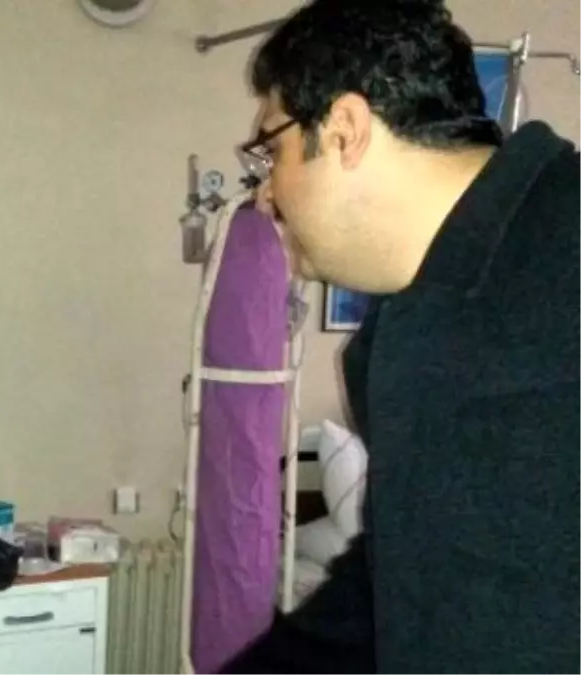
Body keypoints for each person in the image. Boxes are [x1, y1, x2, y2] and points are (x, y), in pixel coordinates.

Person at [219, 1, 581, 673]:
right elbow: (398, 576)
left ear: (345, 130)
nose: (265, 195)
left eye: (272, 151)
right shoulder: (398, 337)